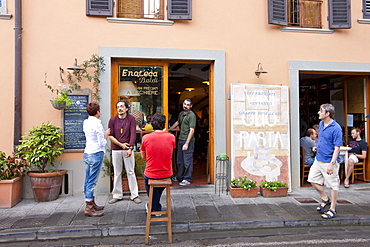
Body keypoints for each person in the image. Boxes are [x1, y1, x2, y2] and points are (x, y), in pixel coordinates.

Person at [307, 104, 343, 219]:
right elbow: (322, 139)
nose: (318, 112)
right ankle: (325, 198)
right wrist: (317, 147)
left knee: (333, 186)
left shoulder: (336, 128)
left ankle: (332, 210)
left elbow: (337, 147)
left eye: (321, 111)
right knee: (312, 180)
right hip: (318, 159)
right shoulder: (322, 124)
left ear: (327, 114)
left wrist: (332, 164)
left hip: (329, 161)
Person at [140, 113, 176, 213]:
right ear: (164, 124)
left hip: (151, 173)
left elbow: (143, 156)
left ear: (152, 124)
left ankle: (153, 206)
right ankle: (155, 206)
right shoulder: (171, 137)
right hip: (167, 173)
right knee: (158, 188)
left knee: (150, 186)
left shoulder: (146, 138)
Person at [108, 100, 141, 204]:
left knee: (130, 171)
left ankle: (134, 195)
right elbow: (110, 136)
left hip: (128, 149)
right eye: (118, 107)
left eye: (122, 106)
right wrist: (121, 145)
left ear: (127, 108)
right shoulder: (112, 120)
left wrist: (130, 148)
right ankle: (117, 195)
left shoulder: (131, 119)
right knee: (117, 172)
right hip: (116, 149)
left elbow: (133, 134)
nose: (120, 109)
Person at [83, 103, 110, 217]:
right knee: (92, 181)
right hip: (96, 153)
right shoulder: (98, 124)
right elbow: (101, 142)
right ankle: (89, 207)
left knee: (87, 179)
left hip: (87, 152)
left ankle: (91, 202)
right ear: (98, 111)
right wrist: (106, 135)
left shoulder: (86, 122)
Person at [169, 98, 196, 186]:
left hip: (188, 140)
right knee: (179, 160)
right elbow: (177, 122)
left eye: (188, 105)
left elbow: (192, 130)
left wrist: (187, 143)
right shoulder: (181, 114)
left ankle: (187, 178)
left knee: (187, 161)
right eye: (185, 104)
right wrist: (169, 129)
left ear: (191, 106)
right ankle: (179, 176)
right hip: (180, 139)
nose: (185, 106)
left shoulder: (192, 115)